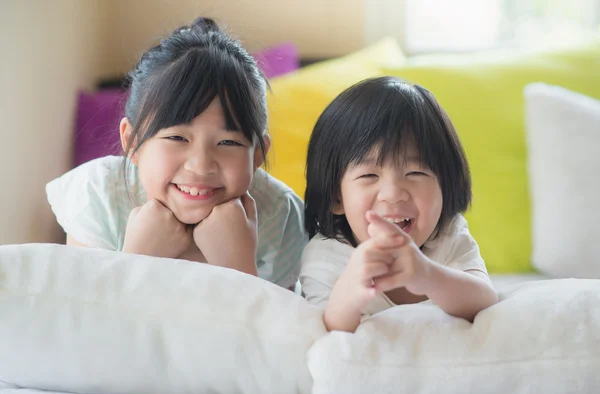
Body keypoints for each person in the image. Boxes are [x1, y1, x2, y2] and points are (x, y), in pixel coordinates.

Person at [46, 17, 306, 289]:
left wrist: (239, 268)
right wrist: (137, 259)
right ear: (132, 141)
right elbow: (84, 323)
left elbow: (278, 329)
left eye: (228, 143)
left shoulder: (280, 215)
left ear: (257, 155)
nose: (201, 166)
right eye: (177, 137)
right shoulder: (100, 197)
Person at [300, 77, 498, 332]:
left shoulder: (448, 235)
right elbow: (328, 339)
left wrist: (426, 275)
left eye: (416, 172)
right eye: (369, 175)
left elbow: (485, 300)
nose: (393, 194)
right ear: (336, 198)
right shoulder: (326, 257)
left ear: (445, 187)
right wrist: (349, 291)